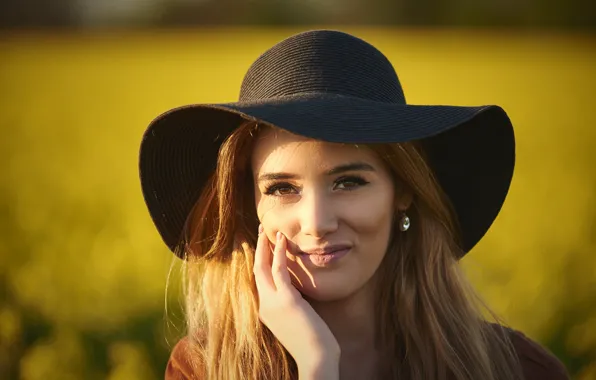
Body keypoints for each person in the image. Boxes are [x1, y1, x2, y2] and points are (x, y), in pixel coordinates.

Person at [139, 30, 569, 380]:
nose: (317, 222)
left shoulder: (514, 370)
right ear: (249, 206)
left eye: (348, 182)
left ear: (403, 191)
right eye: (281, 189)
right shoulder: (205, 370)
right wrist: (318, 366)